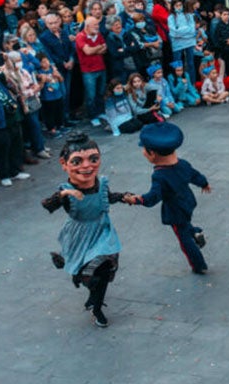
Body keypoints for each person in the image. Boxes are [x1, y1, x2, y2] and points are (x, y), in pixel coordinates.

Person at [42, 132, 128, 327]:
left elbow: (108, 196)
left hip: (103, 231)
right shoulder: (65, 190)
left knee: (104, 268)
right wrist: (65, 193)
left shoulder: (102, 183)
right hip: (78, 236)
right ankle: (90, 293)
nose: (87, 166)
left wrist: (126, 197)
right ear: (64, 164)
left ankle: (97, 308)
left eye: (93, 159)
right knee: (89, 276)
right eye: (77, 161)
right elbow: (47, 205)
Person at [123, 122, 211, 275]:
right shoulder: (183, 164)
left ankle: (198, 264)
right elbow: (195, 175)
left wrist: (136, 200)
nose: (143, 152)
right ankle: (196, 231)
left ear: (152, 154)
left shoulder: (159, 175)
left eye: (144, 149)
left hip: (175, 210)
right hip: (187, 202)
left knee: (184, 240)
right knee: (185, 224)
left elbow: (153, 198)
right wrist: (204, 183)